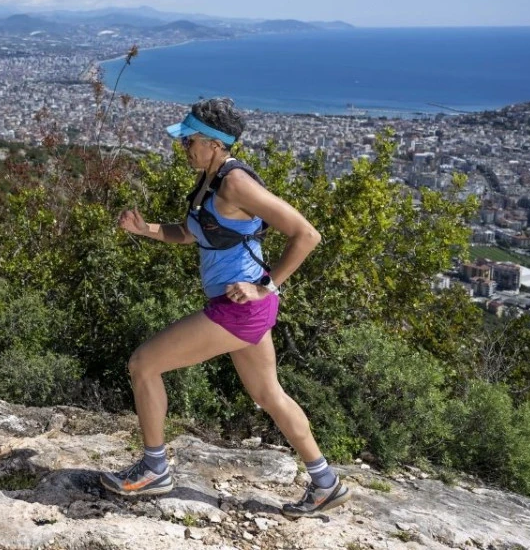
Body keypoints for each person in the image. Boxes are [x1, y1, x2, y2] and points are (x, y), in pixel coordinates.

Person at [99, 98, 350, 519]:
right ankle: (326, 483)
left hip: (241, 309)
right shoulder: (209, 181)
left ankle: (154, 468)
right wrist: (147, 230)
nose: (184, 148)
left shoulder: (235, 184)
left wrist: (264, 288)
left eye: (190, 140)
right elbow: (195, 233)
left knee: (143, 363)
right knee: (269, 394)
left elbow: (307, 234)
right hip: (240, 309)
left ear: (216, 143)